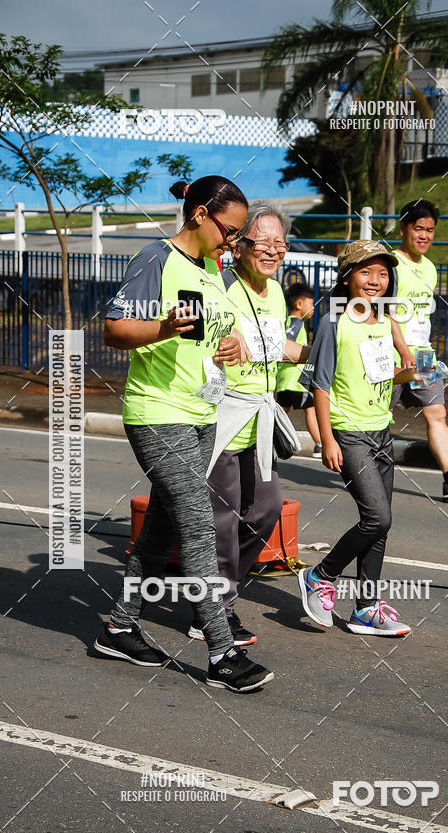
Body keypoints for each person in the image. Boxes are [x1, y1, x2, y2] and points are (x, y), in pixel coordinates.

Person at [93, 175, 273, 693]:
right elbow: (113, 329)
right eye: (230, 230)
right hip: (157, 412)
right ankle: (221, 652)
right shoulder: (156, 258)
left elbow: (214, 328)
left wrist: (229, 343)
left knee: (165, 527)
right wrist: (165, 328)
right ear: (199, 215)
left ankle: (120, 626)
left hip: (201, 411)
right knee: (197, 526)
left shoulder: (212, 269)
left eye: (239, 235)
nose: (234, 242)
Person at [188, 203, 309, 646]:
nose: (273, 250)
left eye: (280, 243)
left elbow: (280, 350)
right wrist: (223, 343)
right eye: (264, 241)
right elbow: (199, 342)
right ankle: (213, 613)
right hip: (221, 416)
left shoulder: (275, 293)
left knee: (265, 509)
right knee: (220, 521)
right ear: (239, 245)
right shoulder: (221, 286)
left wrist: (316, 362)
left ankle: (216, 598)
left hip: (259, 417)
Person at [297, 240, 416, 637]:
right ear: (347, 277)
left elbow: (386, 375)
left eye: (382, 273)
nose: (375, 281)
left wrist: (411, 373)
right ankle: (320, 574)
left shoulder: (384, 318)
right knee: (377, 517)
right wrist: (326, 440)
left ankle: (366, 608)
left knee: (381, 526)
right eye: (366, 272)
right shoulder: (334, 320)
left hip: (381, 429)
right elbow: (321, 384)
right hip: (349, 434)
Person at [388, 199, 448, 503]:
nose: (424, 235)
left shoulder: (432, 269)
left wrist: (420, 352)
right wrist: (401, 349)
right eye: (418, 228)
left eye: (430, 230)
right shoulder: (391, 264)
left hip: (423, 355)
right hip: (392, 352)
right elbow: (387, 314)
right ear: (404, 229)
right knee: (378, 416)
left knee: (436, 413)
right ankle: (362, 469)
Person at [276, 282, 322, 457]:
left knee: (282, 410)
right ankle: (319, 444)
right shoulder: (295, 324)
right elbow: (286, 344)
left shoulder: (290, 321)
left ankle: (274, 437)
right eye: (311, 303)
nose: (313, 308)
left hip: (285, 380)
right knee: (310, 409)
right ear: (299, 304)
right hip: (297, 380)